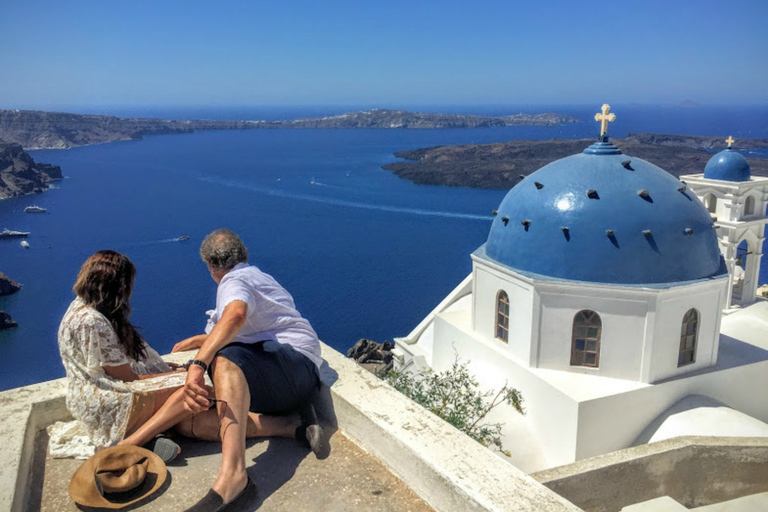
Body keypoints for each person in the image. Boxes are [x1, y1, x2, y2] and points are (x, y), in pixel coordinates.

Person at [57, 250, 302, 463]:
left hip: (92, 398)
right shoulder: (93, 322)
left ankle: (286, 427)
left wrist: (168, 370)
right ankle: (134, 442)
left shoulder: (79, 307)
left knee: (187, 419)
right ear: (119, 284)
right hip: (112, 400)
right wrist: (173, 375)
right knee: (196, 389)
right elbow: (126, 378)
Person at [175, 229, 323, 512]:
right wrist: (201, 339)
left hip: (293, 368)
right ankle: (295, 427)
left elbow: (236, 315)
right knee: (189, 423)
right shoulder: (258, 277)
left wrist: (198, 363)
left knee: (224, 359)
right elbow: (248, 328)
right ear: (243, 255)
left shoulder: (235, 280)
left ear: (210, 267)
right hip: (291, 376)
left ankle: (234, 478)